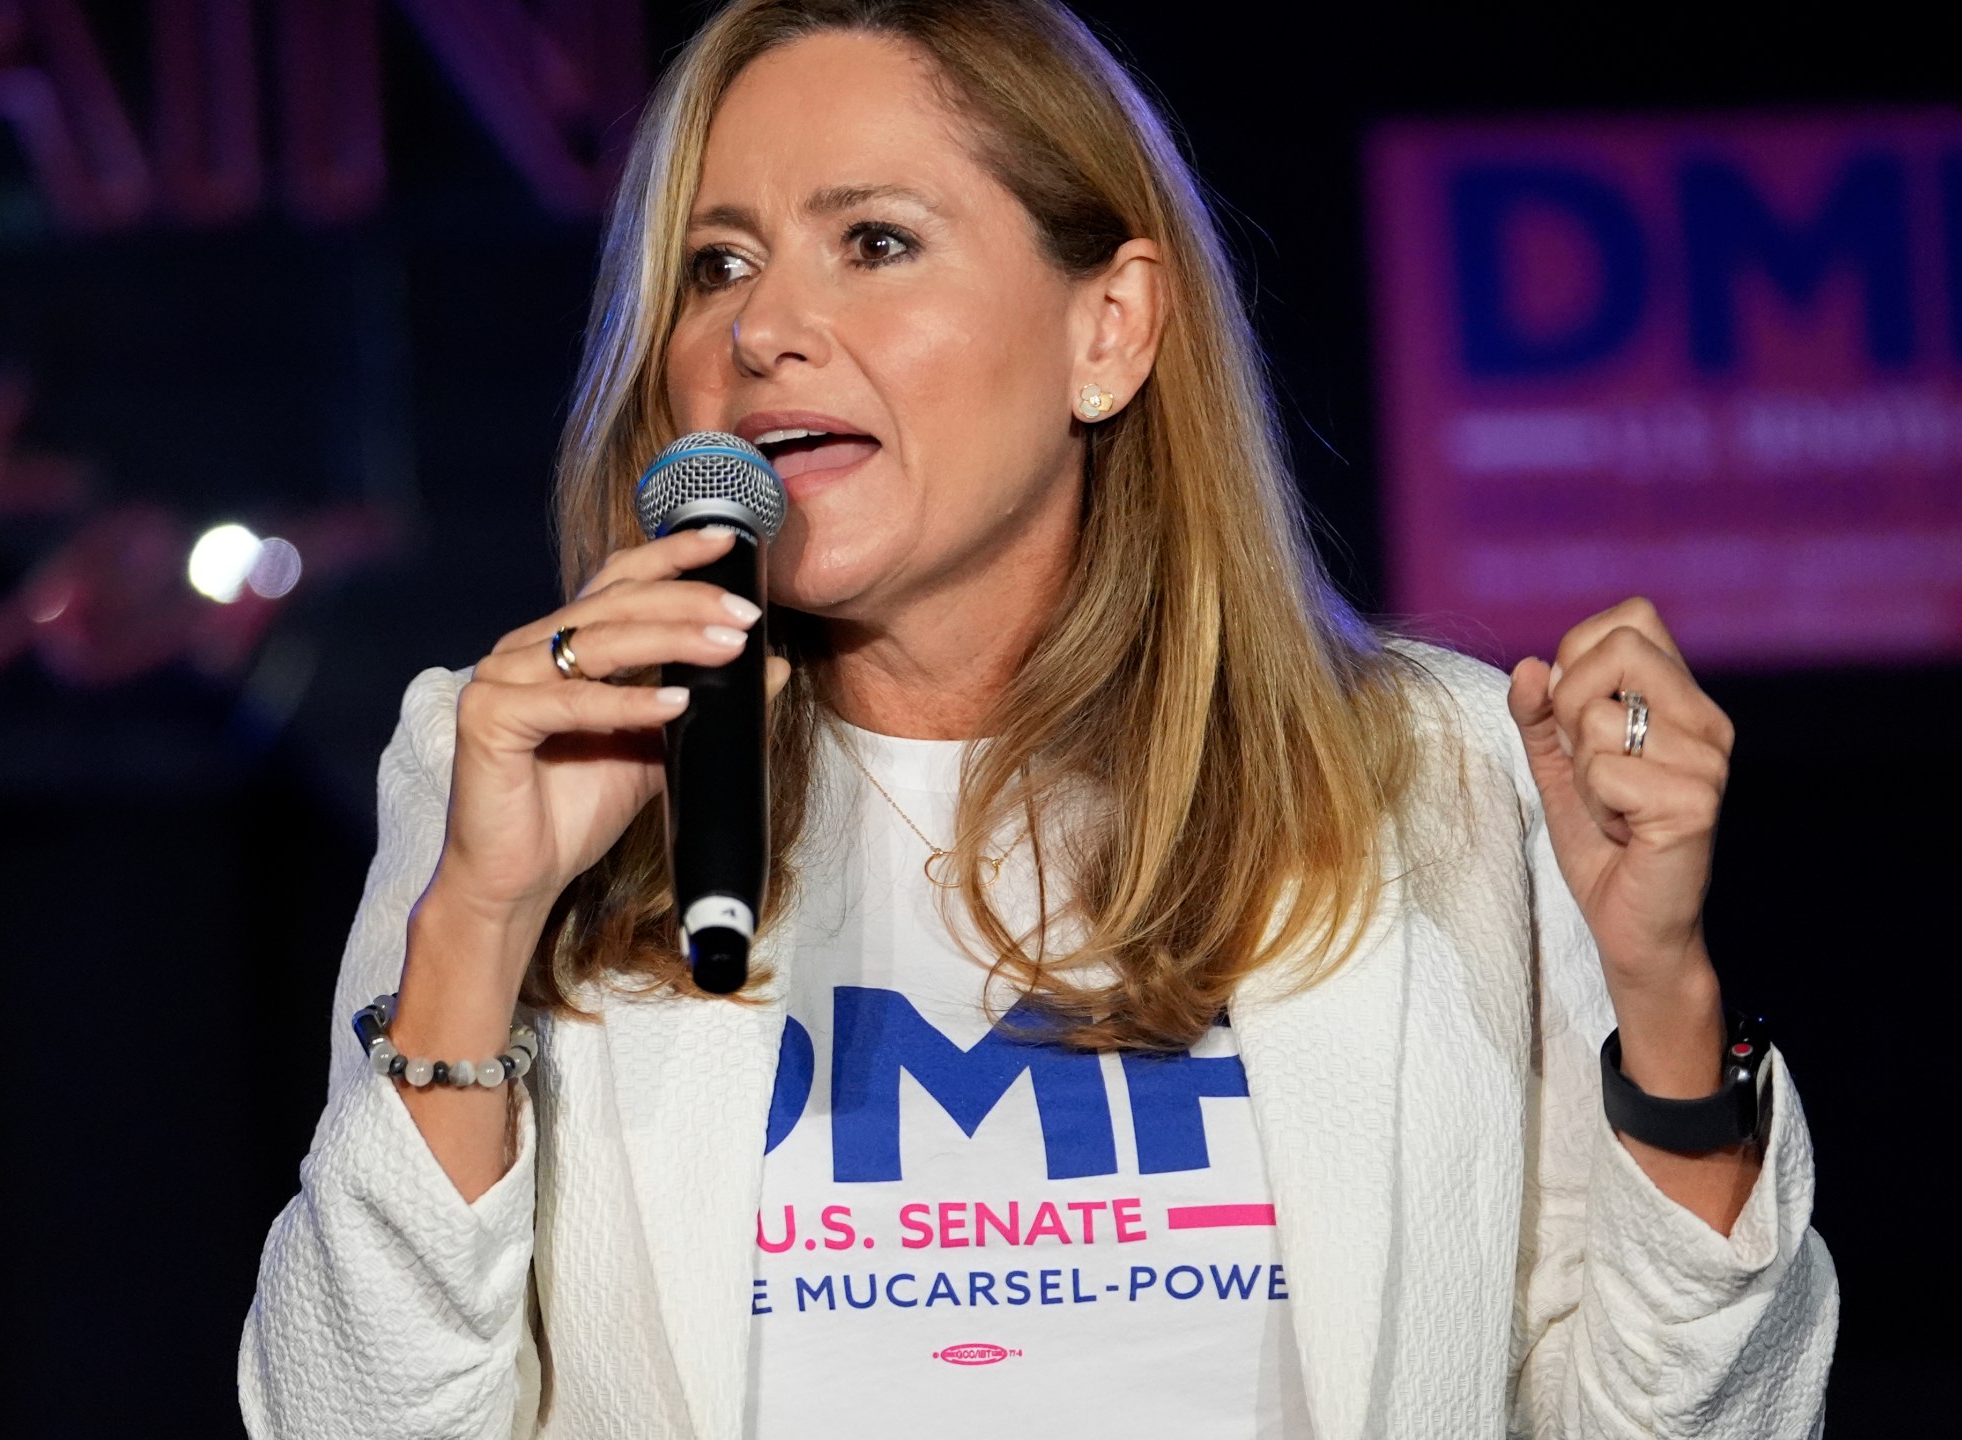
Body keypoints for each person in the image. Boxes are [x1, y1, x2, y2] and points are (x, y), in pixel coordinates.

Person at [239, 2, 1839, 1435]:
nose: (758, 329)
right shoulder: (514, 760)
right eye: (717, 265)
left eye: (871, 241)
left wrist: (1664, 992)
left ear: (1111, 330)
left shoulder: (1441, 769)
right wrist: (479, 930)